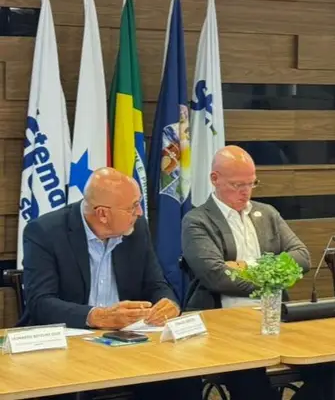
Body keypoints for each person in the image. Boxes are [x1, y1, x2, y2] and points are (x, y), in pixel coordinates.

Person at [181, 145, 335, 400]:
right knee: (253, 382)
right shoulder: (197, 221)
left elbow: (302, 258)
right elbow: (216, 276)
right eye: (237, 185)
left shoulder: (267, 213)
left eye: (251, 183)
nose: (245, 191)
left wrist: (247, 266)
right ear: (214, 179)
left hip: (276, 319)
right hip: (225, 327)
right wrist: (273, 276)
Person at [21, 168, 202, 399]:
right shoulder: (45, 232)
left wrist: (168, 303)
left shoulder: (137, 229)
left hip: (129, 341)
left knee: (184, 376)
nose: (139, 212)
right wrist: (98, 316)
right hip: (69, 341)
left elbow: (156, 283)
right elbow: (40, 303)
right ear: (103, 214)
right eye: (132, 207)